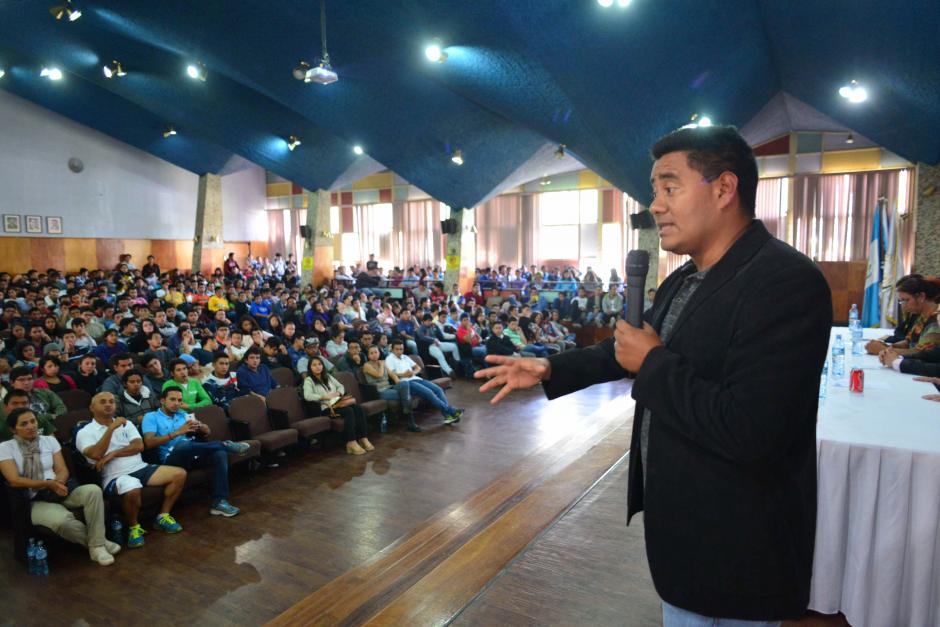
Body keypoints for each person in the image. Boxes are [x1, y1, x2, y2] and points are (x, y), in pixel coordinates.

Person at [475, 125, 832, 625]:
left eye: (670, 186)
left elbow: (753, 430)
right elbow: (630, 345)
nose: (655, 205)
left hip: (737, 545)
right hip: (683, 532)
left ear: (725, 189)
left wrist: (654, 362)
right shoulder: (686, 277)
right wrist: (551, 365)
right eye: (654, 190)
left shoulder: (785, 282)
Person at [0, 408, 121, 566]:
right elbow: (14, 480)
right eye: (24, 424)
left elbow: (62, 469)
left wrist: (58, 483)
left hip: (59, 490)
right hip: (34, 499)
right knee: (62, 522)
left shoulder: (48, 440)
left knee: (93, 490)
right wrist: (47, 484)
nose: (31, 426)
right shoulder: (5, 448)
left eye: (33, 421)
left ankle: (97, 546)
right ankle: (98, 544)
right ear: (13, 429)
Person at [75, 392, 188, 548]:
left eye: (111, 401)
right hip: (114, 475)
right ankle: (134, 528)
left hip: (140, 467)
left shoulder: (126, 423)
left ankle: (162, 516)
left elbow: (139, 446)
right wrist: (111, 429)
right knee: (132, 488)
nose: (108, 404)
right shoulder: (84, 432)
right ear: (92, 407)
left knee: (179, 474)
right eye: (103, 402)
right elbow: (95, 454)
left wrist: (113, 453)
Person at [141, 387, 248, 517]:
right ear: (162, 401)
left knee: (219, 454)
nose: (177, 403)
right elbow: (149, 442)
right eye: (173, 399)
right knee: (182, 445)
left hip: (193, 454)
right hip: (170, 461)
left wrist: (201, 427)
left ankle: (219, 502)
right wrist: (178, 432)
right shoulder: (151, 417)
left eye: (179, 400)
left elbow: (208, 431)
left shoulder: (183, 414)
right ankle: (224, 444)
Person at [302, 356, 373, 455]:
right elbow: (307, 396)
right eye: (314, 365)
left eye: (319, 364)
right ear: (310, 367)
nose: (318, 367)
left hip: (338, 403)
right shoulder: (309, 380)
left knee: (358, 408)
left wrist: (339, 393)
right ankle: (351, 442)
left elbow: (341, 386)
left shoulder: (328, 376)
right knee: (349, 411)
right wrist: (324, 397)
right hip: (326, 409)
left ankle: (363, 438)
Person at [386, 340, 462, 426]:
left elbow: (418, 368)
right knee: (429, 393)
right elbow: (391, 374)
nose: (399, 351)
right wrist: (403, 374)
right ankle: (451, 411)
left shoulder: (405, 357)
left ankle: (448, 416)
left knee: (438, 390)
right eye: (397, 349)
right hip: (406, 383)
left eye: (401, 349)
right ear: (392, 350)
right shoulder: (389, 359)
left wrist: (413, 373)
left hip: (416, 378)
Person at [866, 274, 940, 356]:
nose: (903, 306)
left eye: (906, 300)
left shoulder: (936, 320)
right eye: (901, 301)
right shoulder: (923, 316)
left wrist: (884, 350)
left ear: (921, 297)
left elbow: (923, 354)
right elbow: (909, 342)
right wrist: (888, 346)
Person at [362, 345, 419, 432]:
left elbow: (392, 374)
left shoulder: (383, 362)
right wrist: (381, 365)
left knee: (405, 383)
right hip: (379, 390)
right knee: (405, 396)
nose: (374, 354)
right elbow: (379, 375)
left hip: (389, 387)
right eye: (371, 353)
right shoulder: (366, 365)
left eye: (376, 352)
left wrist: (398, 382)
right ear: (368, 356)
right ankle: (410, 420)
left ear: (379, 353)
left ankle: (407, 412)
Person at [0, 367, 65, 440]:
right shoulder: (7, 402)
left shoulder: (45, 392)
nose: (26, 383)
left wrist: (55, 416)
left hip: (53, 426)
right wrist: (50, 416)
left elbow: (61, 407)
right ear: (12, 383)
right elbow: (13, 421)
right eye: (21, 379)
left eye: (29, 379)